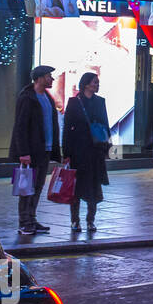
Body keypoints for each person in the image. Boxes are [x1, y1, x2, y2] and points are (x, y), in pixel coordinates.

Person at [9, 65, 61, 235]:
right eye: (48, 76)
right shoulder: (27, 98)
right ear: (39, 78)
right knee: (26, 188)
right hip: (31, 151)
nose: (52, 79)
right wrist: (23, 152)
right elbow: (20, 126)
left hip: (44, 150)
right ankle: (24, 222)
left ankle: (32, 218)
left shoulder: (47, 97)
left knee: (37, 187)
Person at [62, 72, 110, 233]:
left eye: (97, 82)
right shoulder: (74, 102)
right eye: (95, 82)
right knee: (76, 187)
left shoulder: (100, 102)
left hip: (96, 151)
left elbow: (105, 125)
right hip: (78, 151)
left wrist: (107, 147)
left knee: (94, 187)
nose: (97, 85)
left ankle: (91, 220)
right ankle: (75, 221)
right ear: (86, 84)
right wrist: (66, 152)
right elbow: (67, 128)